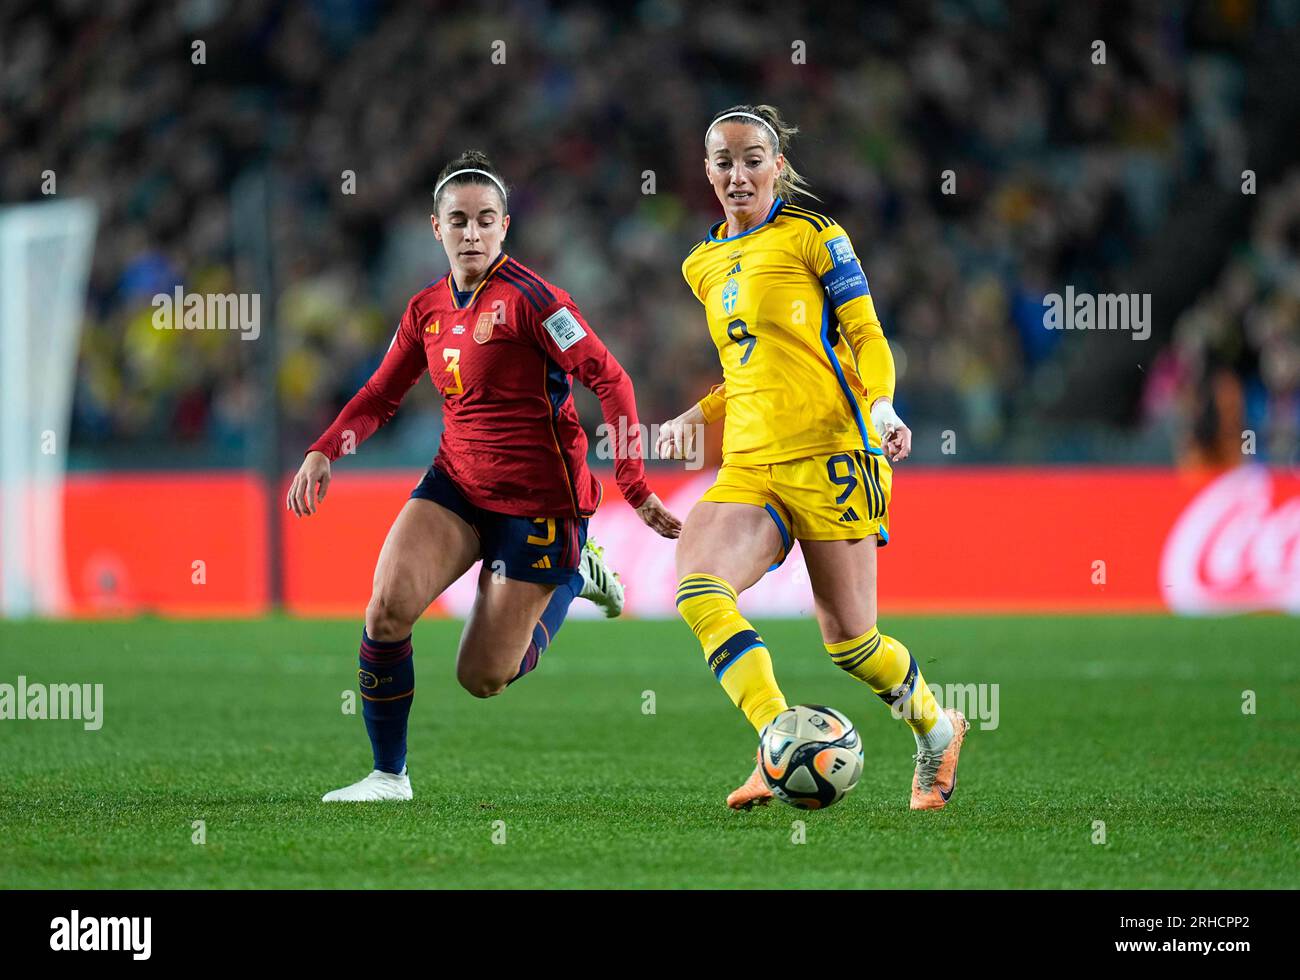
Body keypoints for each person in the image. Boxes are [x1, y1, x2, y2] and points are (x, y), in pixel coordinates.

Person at [289, 150, 681, 802]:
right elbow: (382, 394)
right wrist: (325, 449)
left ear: (504, 229)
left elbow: (609, 378)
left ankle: (576, 573)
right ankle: (389, 776)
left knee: (482, 677)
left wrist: (634, 484)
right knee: (386, 610)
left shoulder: (536, 301)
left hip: (540, 505)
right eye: (458, 220)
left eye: (485, 220)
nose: (471, 233)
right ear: (435, 228)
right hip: (457, 484)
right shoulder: (425, 309)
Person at [657, 105, 968, 811]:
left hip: (832, 453)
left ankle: (937, 728)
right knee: (700, 590)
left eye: (753, 158)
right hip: (749, 465)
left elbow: (863, 331)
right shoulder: (700, 263)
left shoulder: (815, 236)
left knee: (852, 644)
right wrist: (695, 416)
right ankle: (777, 738)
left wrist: (883, 405)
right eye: (724, 161)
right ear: (706, 171)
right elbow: (749, 368)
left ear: (778, 166)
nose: (739, 173)